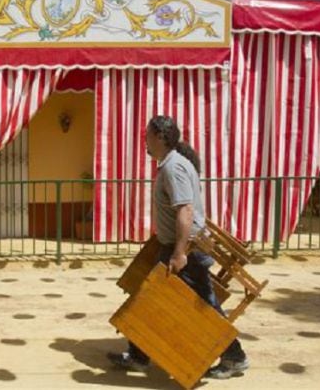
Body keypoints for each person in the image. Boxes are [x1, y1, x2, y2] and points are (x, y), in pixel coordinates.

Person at [107, 115, 249, 380]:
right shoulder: (172, 164)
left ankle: (235, 356)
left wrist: (180, 253)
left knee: (204, 307)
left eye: (147, 135)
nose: (144, 141)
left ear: (160, 137)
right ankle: (139, 354)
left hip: (186, 250)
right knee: (152, 300)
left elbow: (185, 210)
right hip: (176, 246)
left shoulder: (174, 168)